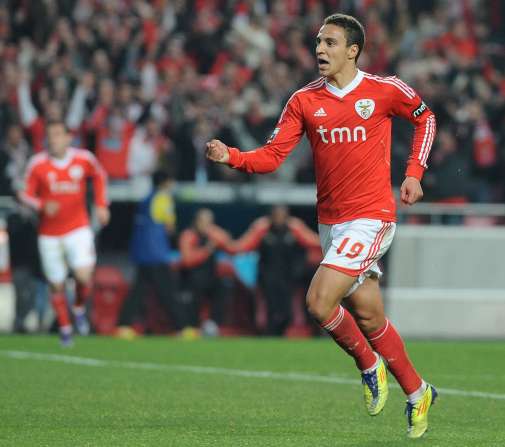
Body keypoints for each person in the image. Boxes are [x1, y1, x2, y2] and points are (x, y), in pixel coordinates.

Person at [206, 13, 437, 439]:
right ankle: (418, 391)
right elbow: (273, 156)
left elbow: (426, 118)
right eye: (318, 42)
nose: (319, 50)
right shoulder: (303, 101)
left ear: (353, 50)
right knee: (368, 317)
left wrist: (414, 172)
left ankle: (368, 367)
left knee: (317, 302)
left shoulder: (383, 91)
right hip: (331, 223)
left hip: (372, 218)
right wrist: (232, 157)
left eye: (330, 43)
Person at [19, 119, 110, 346]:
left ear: (69, 137)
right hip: (49, 234)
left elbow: (100, 176)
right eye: (50, 136)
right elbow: (24, 194)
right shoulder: (37, 164)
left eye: (59, 134)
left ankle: (78, 306)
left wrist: (101, 204)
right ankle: (66, 329)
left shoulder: (83, 159)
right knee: (57, 284)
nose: (54, 140)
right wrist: (41, 205)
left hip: (78, 228)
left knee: (83, 276)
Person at [227, 205, 319, 335]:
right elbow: (240, 247)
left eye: (281, 215)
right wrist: (222, 240)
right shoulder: (262, 229)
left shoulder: (295, 228)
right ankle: (270, 333)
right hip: (267, 276)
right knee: (270, 307)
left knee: (287, 308)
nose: (279, 219)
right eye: (276, 215)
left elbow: (314, 242)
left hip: (288, 276)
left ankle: (283, 331)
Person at [118, 168, 183, 334]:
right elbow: (169, 226)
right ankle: (182, 327)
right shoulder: (163, 198)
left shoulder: (146, 199)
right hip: (157, 252)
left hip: (142, 252)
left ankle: (123, 326)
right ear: (165, 182)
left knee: (138, 292)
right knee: (167, 291)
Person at [178, 208, 233, 336]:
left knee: (224, 287)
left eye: (210, 222)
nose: (207, 225)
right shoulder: (188, 235)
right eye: (204, 221)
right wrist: (206, 250)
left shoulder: (212, 234)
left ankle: (213, 324)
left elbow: (229, 243)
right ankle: (190, 328)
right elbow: (188, 260)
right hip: (191, 278)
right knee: (194, 295)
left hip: (210, 276)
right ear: (196, 222)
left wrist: (220, 234)